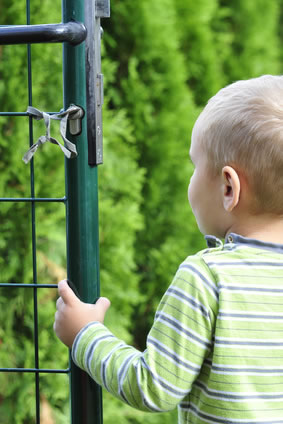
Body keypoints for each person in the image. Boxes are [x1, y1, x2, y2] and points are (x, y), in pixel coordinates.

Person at [54, 75, 283, 423]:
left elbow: (153, 386)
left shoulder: (208, 278)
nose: (190, 180)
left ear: (228, 188)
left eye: (195, 166)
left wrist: (85, 335)